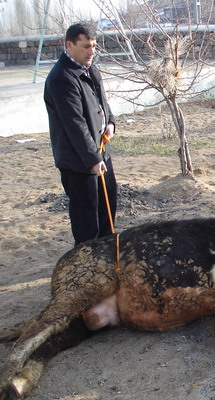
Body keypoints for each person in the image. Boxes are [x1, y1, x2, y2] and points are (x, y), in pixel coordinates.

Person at [44, 23, 117, 246]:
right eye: (86, 46)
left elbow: (102, 104)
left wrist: (111, 122)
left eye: (94, 46)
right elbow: (74, 123)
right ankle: (85, 262)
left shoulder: (91, 69)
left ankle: (105, 257)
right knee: (87, 218)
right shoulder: (61, 79)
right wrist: (92, 159)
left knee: (107, 208)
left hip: (101, 152)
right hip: (79, 161)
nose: (91, 51)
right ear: (69, 45)